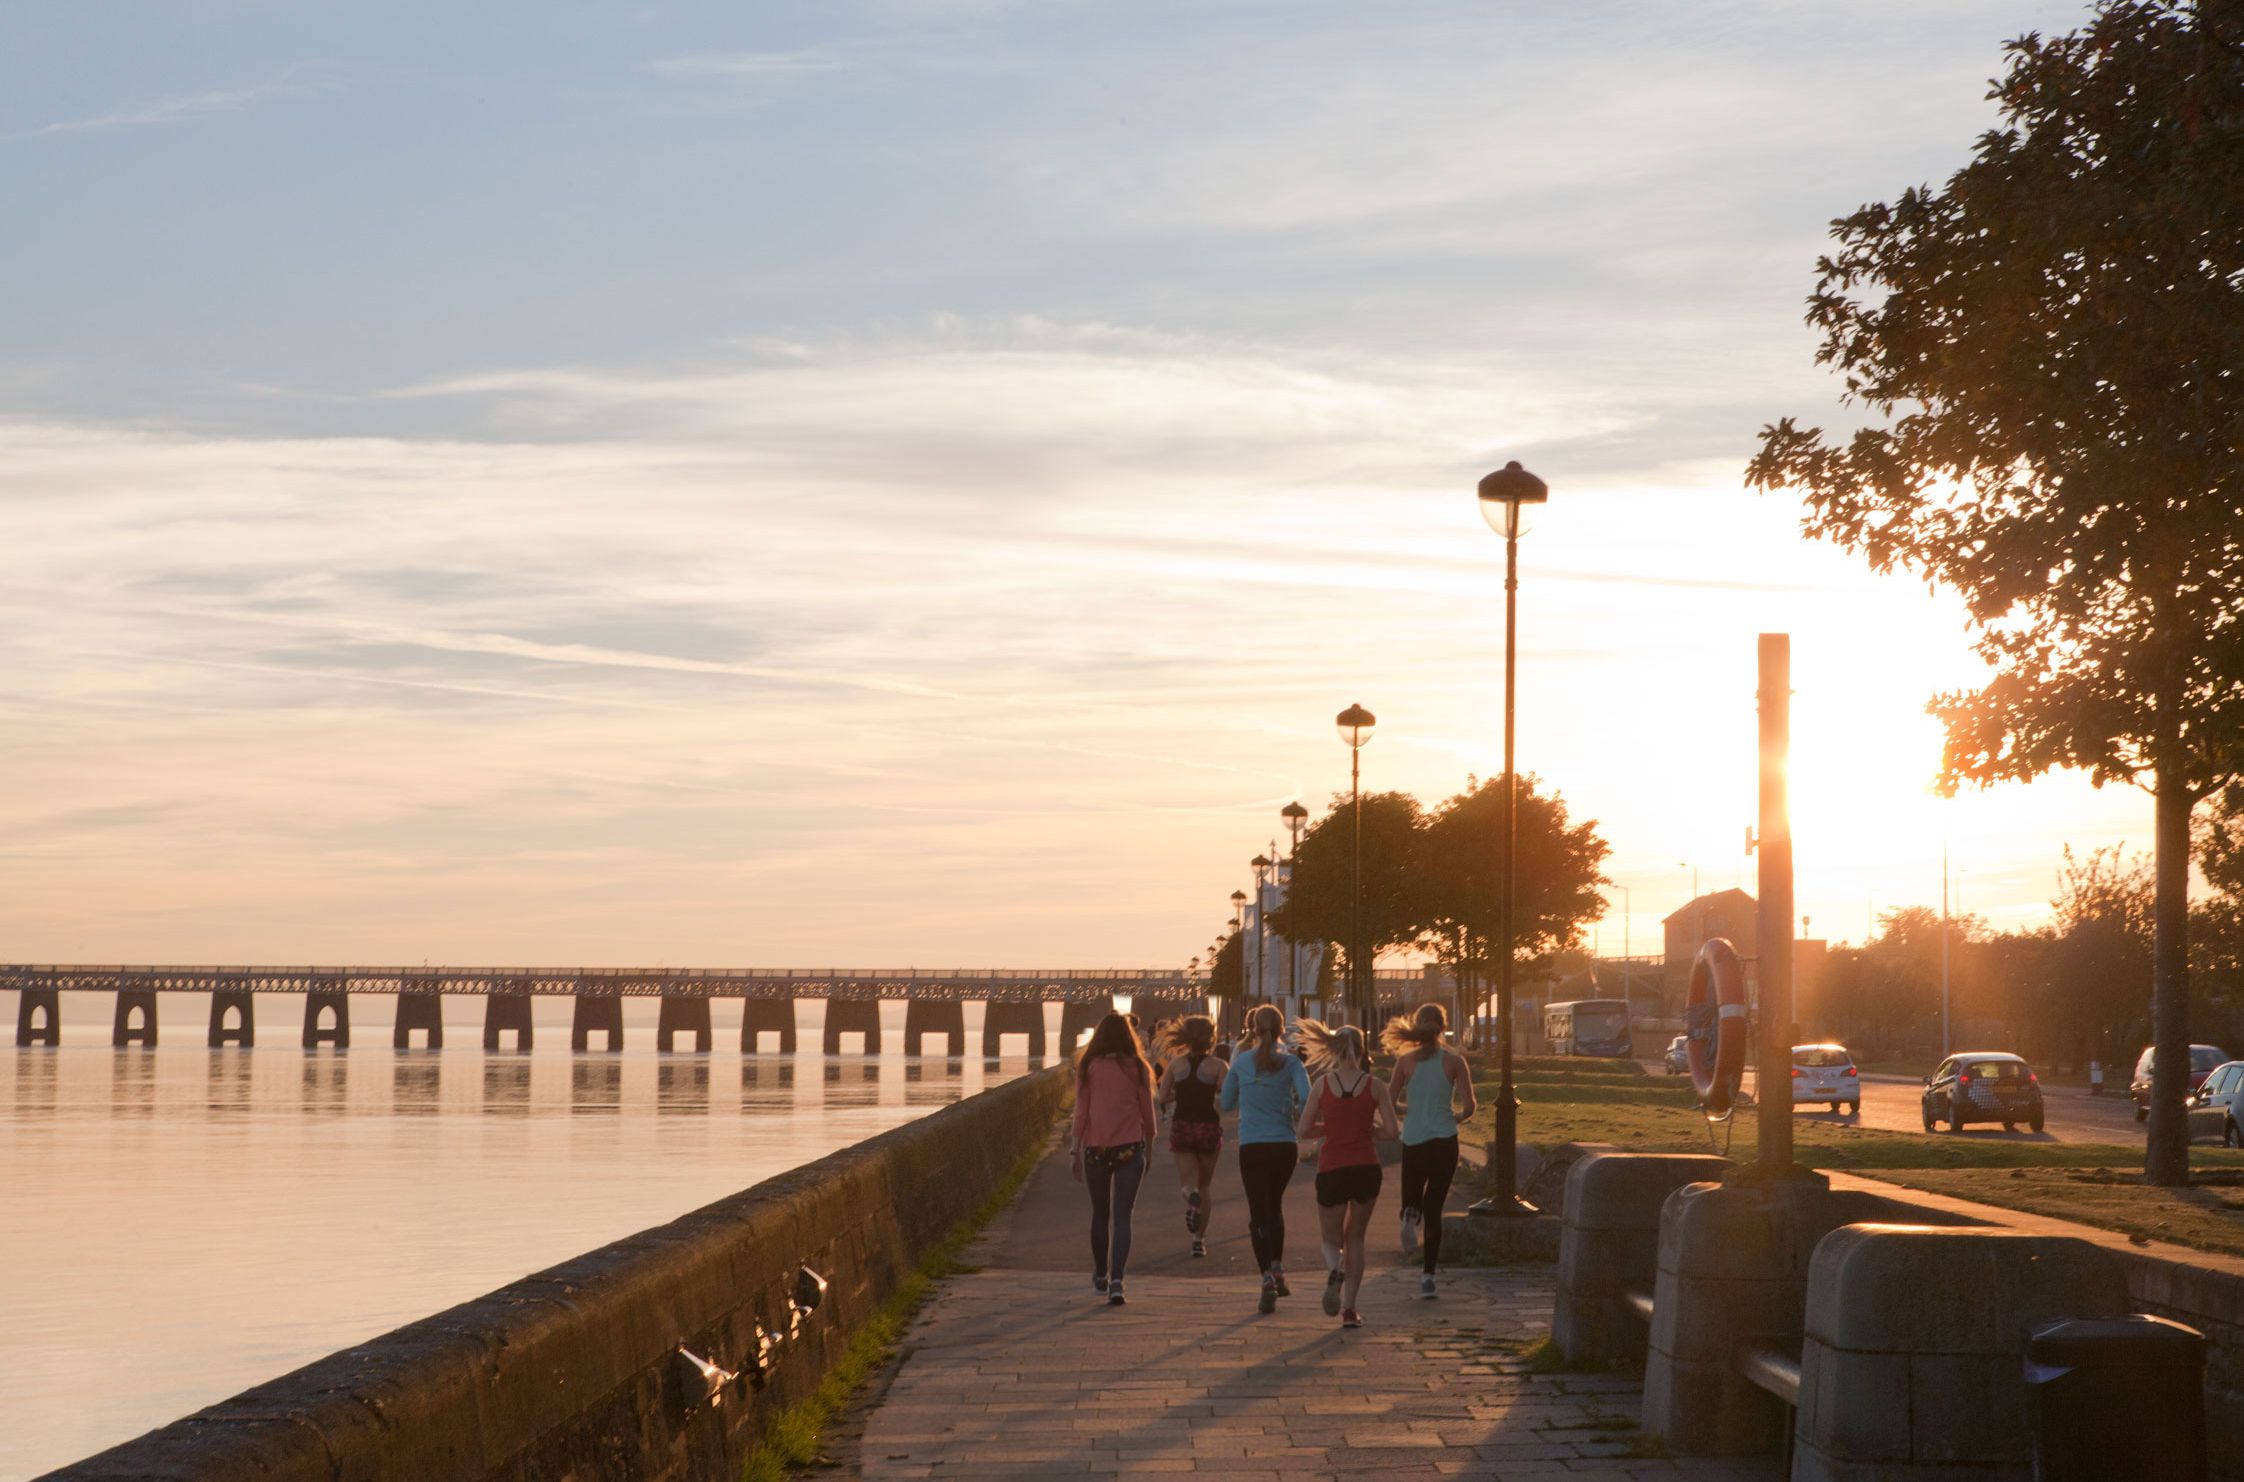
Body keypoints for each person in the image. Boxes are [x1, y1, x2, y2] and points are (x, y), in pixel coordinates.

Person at [1293, 1019, 1399, 1330]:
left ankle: (1334, 1267)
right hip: (1366, 1168)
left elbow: (1303, 1130)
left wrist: (1332, 1128)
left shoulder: (1322, 1085)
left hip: (1333, 1169)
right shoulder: (1375, 1085)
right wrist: (1369, 1130)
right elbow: (1392, 1132)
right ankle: (1350, 1310)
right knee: (1356, 1238)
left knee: (1331, 1237)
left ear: (1334, 1050)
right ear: (1364, 1050)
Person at [1220, 1004, 1311, 1314]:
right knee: (1275, 1206)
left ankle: (1267, 1280)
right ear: (1281, 1028)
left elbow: (1227, 1102)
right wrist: (1291, 1107)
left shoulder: (1241, 1062)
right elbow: (1308, 1097)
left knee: (1259, 1212)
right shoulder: (1292, 1064)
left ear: (1254, 1030)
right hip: (1284, 1145)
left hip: (1253, 1145)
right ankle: (1278, 1267)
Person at [1383, 1002, 1478, 1299]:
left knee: (1412, 1194)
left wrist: (1406, 1110)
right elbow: (1470, 1106)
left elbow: (1389, 1100)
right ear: (1443, 1027)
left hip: (1414, 1139)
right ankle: (1428, 1277)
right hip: (1444, 1140)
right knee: (1434, 1209)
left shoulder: (1405, 1061)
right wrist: (1458, 1117)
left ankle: (1409, 1215)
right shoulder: (1454, 1061)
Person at [1070, 1011, 1158, 1306]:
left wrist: (1074, 1150)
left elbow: (1081, 1112)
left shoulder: (1089, 1067)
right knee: (1123, 1217)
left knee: (1100, 1214)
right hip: (1130, 1148)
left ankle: (1099, 1274)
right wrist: (1151, 1145)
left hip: (1095, 1149)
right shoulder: (1137, 1068)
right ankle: (1118, 1280)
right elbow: (1147, 1112)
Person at [1156, 1015, 1226, 1258]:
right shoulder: (1219, 1066)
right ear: (1211, 1038)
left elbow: (1162, 1098)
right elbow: (1225, 1099)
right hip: (1208, 1127)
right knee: (1205, 1186)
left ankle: (1190, 1197)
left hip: (1182, 1126)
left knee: (1189, 1184)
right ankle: (1199, 1241)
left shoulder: (1176, 1065)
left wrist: (1181, 1094)